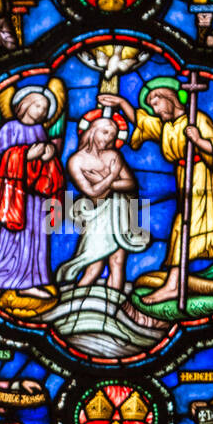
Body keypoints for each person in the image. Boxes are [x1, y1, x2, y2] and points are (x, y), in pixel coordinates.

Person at [99, 79, 213, 304]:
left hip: (204, 180)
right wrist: (121, 102)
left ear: (169, 98)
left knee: (189, 227)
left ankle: (174, 285)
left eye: (157, 103)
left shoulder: (197, 119)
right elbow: (141, 120)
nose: (155, 110)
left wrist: (198, 140)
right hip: (185, 179)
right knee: (196, 229)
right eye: (152, 106)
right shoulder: (166, 126)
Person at [0, 87, 64, 307]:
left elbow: (44, 160)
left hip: (35, 197)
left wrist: (48, 154)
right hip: (14, 194)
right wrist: (25, 154)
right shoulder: (9, 128)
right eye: (38, 106)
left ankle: (30, 282)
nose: (41, 112)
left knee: (36, 238)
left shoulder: (39, 130)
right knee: (12, 238)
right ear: (25, 104)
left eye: (45, 109)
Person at [57, 115, 148, 293]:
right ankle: (76, 305)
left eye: (112, 135)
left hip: (120, 214)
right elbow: (92, 192)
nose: (108, 139)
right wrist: (112, 176)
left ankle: (114, 305)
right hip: (95, 215)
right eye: (105, 132)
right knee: (93, 265)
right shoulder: (76, 161)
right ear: (92, 130)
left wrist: (101, 181)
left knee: (117, 262)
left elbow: (130, 184)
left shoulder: (114, 155)